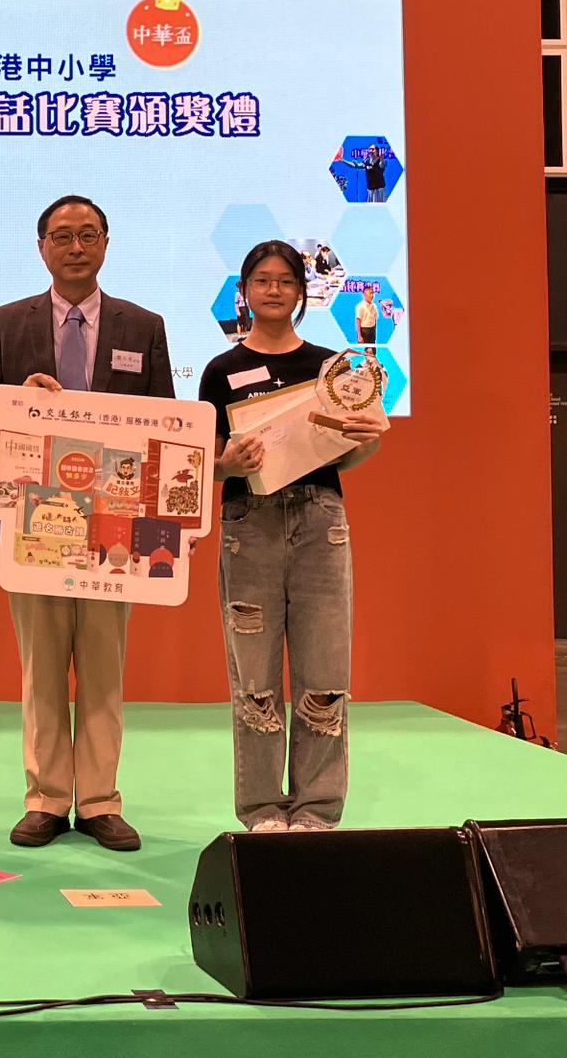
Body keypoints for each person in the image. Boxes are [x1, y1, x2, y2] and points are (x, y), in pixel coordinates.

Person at [0, 195, 174, 853]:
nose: (75, 247)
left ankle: (102, 801)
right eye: (62, 236)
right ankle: (48, 799)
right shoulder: (9, 321)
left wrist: (166, 527)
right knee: (43, 668)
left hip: (117, 528)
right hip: (36, 524)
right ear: (42, 247)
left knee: (105, 669)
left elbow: (168, 425)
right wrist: (15, 400)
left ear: (106, 243)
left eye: (88, 235)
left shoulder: (144, 325)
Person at [199, 240, 386, 832]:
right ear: (244, 292)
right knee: (253, 674)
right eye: (262, 280)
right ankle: (261, 808)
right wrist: (226, 463)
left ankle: (317, 809)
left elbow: (345, 457)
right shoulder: (220, 371)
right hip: (247, 525)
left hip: (319, 522)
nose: (273, 290)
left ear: (302, 292)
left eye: (285, 280)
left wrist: (369, 439)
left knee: (325, 669)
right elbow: (205, 463)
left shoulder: (331, 367)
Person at [355, 284, 379, 348]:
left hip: (372, 330)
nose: (372, 295)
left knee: (372, 349)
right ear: (364, 294)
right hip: (364, 330)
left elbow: (375, 319)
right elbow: (358, 321)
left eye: (373, 293)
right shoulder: (360, 306)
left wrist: (374, 330)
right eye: (370, 293)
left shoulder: (374, 306)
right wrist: (359, 336)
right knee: (365, 350)